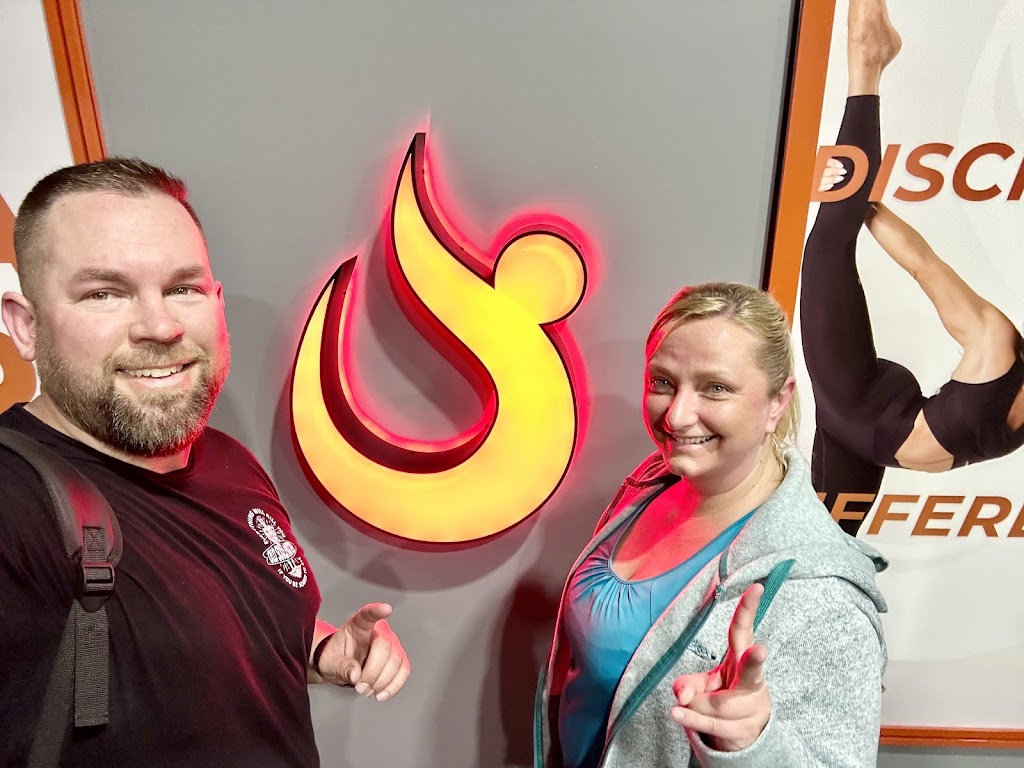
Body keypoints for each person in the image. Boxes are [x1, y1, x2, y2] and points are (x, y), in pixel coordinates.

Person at [0, 158, 411, 766]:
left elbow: (208, 651)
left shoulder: (225, 460)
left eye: (182, 288)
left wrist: (321, 653)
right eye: (104, 293)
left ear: (216, 301)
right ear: (25, 326)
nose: (160, 326)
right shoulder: (14, 506)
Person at [534, 281, 888, 767]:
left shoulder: (823, 595)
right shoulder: (652, 481)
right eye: (662, 382)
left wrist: (749, 745)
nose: (677, 416)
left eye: (715, 388)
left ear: (778, 402)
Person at [801, 0, 1024, 534]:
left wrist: (856, 200)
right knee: (827, 248)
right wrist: (859, 201)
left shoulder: (998, 352)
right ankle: (868, 64)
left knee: (822, 548)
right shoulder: (995, 342)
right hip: (862, 407)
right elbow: (923, 265)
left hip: (866, 426)